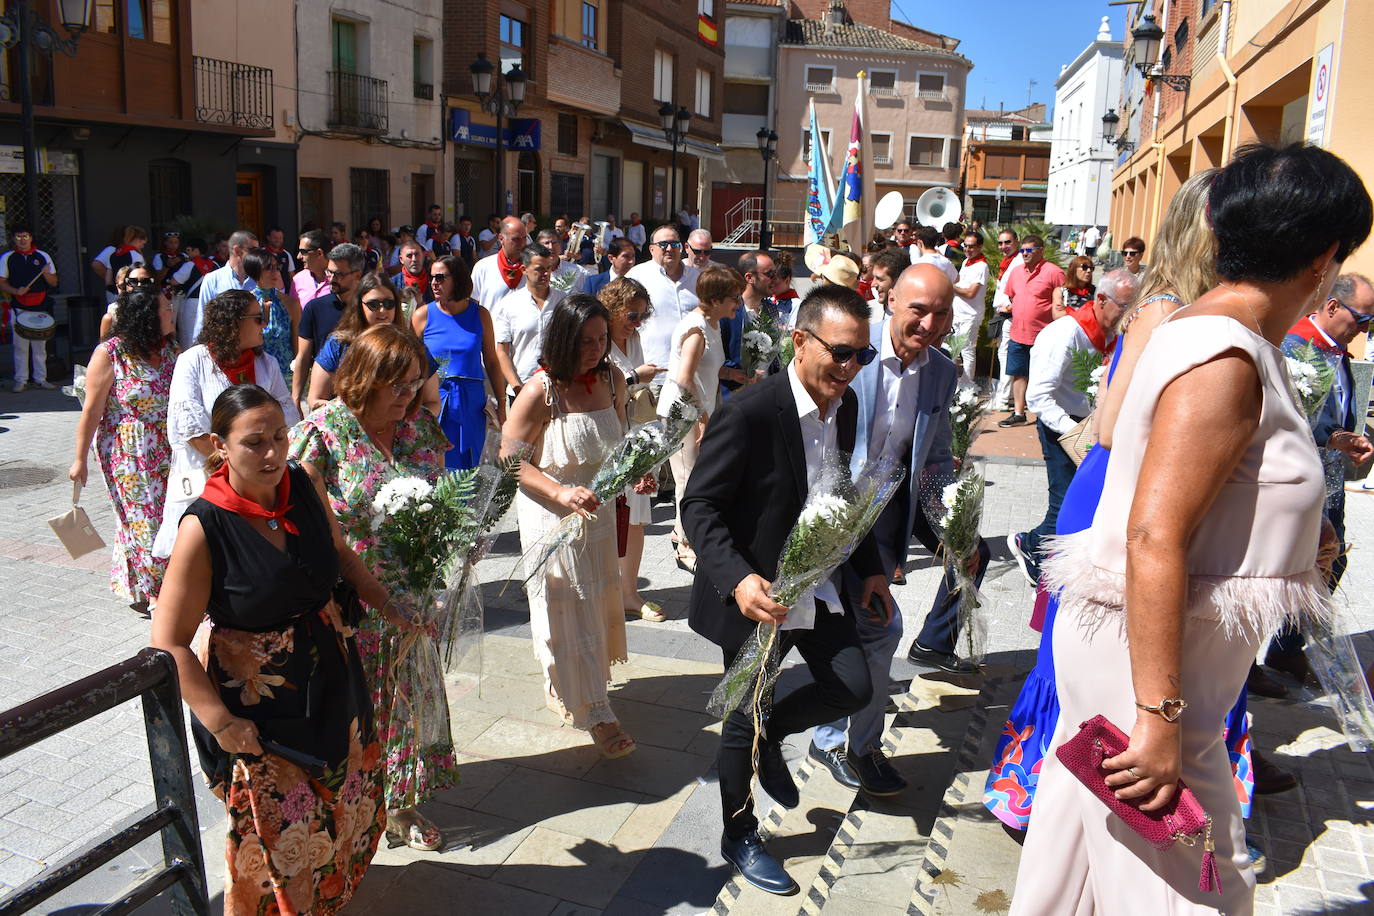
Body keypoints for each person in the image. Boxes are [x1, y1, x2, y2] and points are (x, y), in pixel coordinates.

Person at [1010, 142, 1371, 915]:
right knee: (1191, 886)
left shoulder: (1212, 332)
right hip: (1152, 669)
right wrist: (1159, 718)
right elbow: (1154, 535)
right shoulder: (1225, 354)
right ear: (1322, 259)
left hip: (1149, 652)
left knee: (1080, 863)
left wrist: (1307, 534)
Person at [153, 384, 403, 913]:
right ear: (219, 446)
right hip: (261, 712)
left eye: (280, 436)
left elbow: (340, 554)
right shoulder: (204, 527)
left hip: (334, 677)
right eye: (253, 442)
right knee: (275, 834)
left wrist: (388, 603)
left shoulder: (304, 483)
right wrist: (222, 723)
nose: (272, 453)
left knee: (342, 804)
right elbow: (169, 642)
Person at [682, 284, 891, 895]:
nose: (850, 369)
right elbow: (699, 505)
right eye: (841, 353)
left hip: (819, 584)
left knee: (852, 685)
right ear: (800, 342)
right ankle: (738, 831)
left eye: (863, 356)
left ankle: (777, 731)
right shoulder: (749, 412)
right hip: (757, 594)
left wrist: (871, 566)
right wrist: (738, 578)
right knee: (740, 719)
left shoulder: (846, 406)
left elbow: (842, 495)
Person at [805, 265, 971, 796]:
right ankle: (830, 736)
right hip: (818, 510)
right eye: (918, 308)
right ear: (890, 299)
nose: (929, 321)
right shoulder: (848, 350)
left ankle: (845, 742)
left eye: (941, 312)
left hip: (877, 522)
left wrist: (950, 526)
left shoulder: (942, 373)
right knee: (846, 628)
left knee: (876, 628)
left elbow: (934, 456)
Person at [292, 324, 459, 851]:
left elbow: (445, 503)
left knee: (407, 700)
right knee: (360, 708)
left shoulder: (419, 430)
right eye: (399, 386)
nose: (411, 396)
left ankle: (402, 805)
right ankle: (356, 805)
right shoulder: (325, 431)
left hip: (413, 593)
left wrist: (453, 551)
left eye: (416, 383)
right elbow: (299, 519)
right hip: (351, 601)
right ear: (365, 379)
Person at [500, 293, 637, 758]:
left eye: (602, 339)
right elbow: (509, 460)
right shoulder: (541, 391)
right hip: (550, 513)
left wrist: (637, 469)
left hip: (595, 513)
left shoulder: (614, 380)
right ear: (562, 339)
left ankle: (579, 686)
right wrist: (559, 492)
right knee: (564, 609)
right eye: (585, 341)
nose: (596, 349)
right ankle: (597, 711)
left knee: (593, 605)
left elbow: (618, 442)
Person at [1263, 273, 1374, 686]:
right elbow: (1283, 420)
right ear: (1331, 307)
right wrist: (1332, 437)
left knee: (1331, 562)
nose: (1364, 330)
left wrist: (1344, 438)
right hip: (1293, 480)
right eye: (1361, 320)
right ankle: (1249, 665)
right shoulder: (1294, 347)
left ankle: (1286, 649)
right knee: (1283, 570)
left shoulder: (1337, 350)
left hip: (1328, 477)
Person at [1011, 269, 1138, 583]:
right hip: (1062, 426)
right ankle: (1029, 546)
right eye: (1125, 307)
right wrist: (1075, 433)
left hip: (1094, 426)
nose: (1130, 315)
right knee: (1065, 499)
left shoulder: (1116, 334)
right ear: (1101, 299)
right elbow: (1039, 397)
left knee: (1088, 499)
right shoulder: (1065, 333)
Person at [156, 290, 299, 558]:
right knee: (210, 556)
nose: (264, 324)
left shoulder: (266, 363)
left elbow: (288, 416)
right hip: (209, 479)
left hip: (262, 480)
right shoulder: (193, 361)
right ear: (233, 322)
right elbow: (191, 429)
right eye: (258, 318)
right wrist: (236, 471)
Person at [68, 289, 177, 614]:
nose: (172, 311)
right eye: (165, 307)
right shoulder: (111, 353)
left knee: (166, 517)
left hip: (169, 449)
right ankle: (158, 591)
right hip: (129, 452)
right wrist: (79, 459)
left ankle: (149, 582)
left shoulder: (169, 349)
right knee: (144, 519)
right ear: (147, 316)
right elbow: (91, 411)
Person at [660, 266, 747, 573]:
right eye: (734, 298)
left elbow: (705, 368)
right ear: (716, 299)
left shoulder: (711, 324)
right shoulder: (696, 330)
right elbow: (684, 379)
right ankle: (685, 547)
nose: (739, 303)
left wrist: (731, 375)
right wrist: (703, 418)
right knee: (687, 479)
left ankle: (679, 532)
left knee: (694, 476)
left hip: (695, 411)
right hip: (683, 414)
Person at [599, 277, 664, 622]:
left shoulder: (634, 339)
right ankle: (605, 592)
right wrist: (637, 377)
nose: (637, 322)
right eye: (631, 314)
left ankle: (629, 593)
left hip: (635, 438)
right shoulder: (598, 341)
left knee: (636, 518)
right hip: (605, 441)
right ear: (611, 309)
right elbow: (599, 390)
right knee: (607, 519)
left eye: (641, 316)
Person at [412, 255, 504, 469]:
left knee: (471, 466)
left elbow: (491, 360)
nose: (434, 282)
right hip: (434, 399)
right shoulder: (422, 315)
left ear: (459, 279)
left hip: (471, 402)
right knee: (434, 462)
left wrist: (501, 403)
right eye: (432, 277)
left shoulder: (480, 315)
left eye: (441, 277)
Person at [308, 272, 441, 415]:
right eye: (373, 304)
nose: (383, 310)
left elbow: (432, 402)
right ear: (360, 305)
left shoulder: (413, 347)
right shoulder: (339, 344)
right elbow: (315, 399)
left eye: (389, 303)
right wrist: (353, 421)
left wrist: (408, 425)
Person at [998, 234, 1065, 427]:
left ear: (1040, 251)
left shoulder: (1054, 272)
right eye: (1022, 250)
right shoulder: (1016, 271)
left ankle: (1045, 416)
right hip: (1018, 332)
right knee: (1019, 373)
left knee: (1043, 376)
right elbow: (1011, 297)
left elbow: (1062, 302)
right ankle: (1019, 413)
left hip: (1044, 335)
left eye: (1029, 250)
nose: (1025, 254)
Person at [627, 226, 701, 389]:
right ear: (651, 249)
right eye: (663, 244)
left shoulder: (697, 278)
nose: (669, 249)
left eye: (674, 244)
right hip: (655, 375)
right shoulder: (637, 276)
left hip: (695, 374)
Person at [293, 243, 364, 406]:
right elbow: (303, 357)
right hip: (324, 401)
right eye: (329, 272)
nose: (331, 278)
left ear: (357, 275)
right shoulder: (314, 308)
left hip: (364, 401)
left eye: (338, 274)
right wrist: (296, 398)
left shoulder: (370, 308)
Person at [493, 243, 564, 398]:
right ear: (524, 270)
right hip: (522, 387)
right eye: (539, 268)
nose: (545, 273)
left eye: (548, 268)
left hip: (558, 387)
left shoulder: (563, 302)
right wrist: (517, 387)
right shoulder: (509, 304)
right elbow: (502, 351)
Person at [1, 224, 59, 391]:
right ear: (13, 239)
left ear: (31, 238)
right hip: (19, 307)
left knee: (40, 346)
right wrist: (15, 290)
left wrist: (46, 272)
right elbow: (1, 282)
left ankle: (41, 379)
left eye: (25, 236)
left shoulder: (43, 256)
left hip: (40, 307)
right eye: (18, 237)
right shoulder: (8, 258)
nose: (22, 240)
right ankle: (21, 380)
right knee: (20, 346)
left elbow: (54, 282)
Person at [243, 248, 301, 387]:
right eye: (269, 267)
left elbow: (297, 347)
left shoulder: (290, 303)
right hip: (256, 375)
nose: (275, 272)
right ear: (255, 271)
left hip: (286, 377)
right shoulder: (245, 304)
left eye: (277, 267)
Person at [719, 250, 780, 375]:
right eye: (770, 274)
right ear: (749, 278)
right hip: (736, 390)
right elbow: (717, 357)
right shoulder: (727, 311)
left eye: (776, 273)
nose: (776, 279)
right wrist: (739, 374)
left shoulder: (771, 310)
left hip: (765, 389)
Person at [191, 230, 259, 341]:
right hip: (223, 348)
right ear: (237, 250)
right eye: (253, 250)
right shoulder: (213, 279)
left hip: (254, 348)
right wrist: (198, 347)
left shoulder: (259, 279)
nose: (257, 255)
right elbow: (203, 318)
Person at [989, 229, 1022, 410]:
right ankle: (1006, 395)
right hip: (1003, 314)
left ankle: (1003, 398)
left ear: (1016, 241)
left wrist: (1009, 307)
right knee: (1004, 354)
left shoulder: (1017, 262)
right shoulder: (1007, 262)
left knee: (1006, 354)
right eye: (1000, 243)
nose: (1003, 247)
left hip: (1010, 314)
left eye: (1007, 242)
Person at [470, 216, 530, 317]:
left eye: (524, 238)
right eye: (516, 239)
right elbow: (472, 303)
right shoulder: (483, 267)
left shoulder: (534, 267)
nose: (522, 243)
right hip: (493, 331)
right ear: (501, 238)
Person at [951, 232, 988, 387]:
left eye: (971, 246)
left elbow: (970, 293)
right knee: (954, 349)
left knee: (967, 350)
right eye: (965, 245)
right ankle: (954, 384)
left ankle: (966, 387)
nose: (967, 249)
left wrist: (950, 286)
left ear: (979, 247)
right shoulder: (967, 261)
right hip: (958, 313)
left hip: (970, 315)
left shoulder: (981, 265)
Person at [99, 264, 159, 339]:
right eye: (133, 281)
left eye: (146, 282)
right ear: (126, 284)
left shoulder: (162, 311)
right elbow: (104, 347)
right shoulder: (112, 315)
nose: (139, 286)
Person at [92, 225, 147, 304]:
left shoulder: (114, 254)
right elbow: (140, 276)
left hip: (114, 295)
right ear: (136, 240)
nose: (142, 246)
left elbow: (108, 279)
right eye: (143, 244)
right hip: (131, 297)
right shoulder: (136, 255)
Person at [866, 246, 911, 325]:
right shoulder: (868, 312)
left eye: (880, 279)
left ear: (899, 280)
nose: (873, 284)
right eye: (874, 278)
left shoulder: (918, 317)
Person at [292, 229, 331, 308]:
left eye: (303, 252)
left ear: (319, 253)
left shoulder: (338, 278)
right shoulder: (297, 280)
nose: (298, 256)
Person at [393, 238, 433, 305]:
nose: (414, 259)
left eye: (417, 254)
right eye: (409, 256)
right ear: (401, 259)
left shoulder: (434, 281)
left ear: (423, 256)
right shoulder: (393, 284)